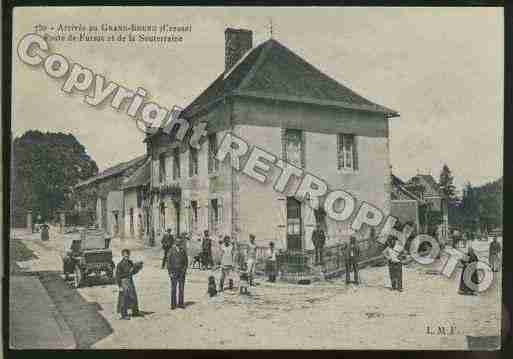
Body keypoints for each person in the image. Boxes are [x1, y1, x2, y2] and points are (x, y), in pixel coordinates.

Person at [116, 249, 143, 319]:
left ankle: (135, 312)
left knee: (133, 296)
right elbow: (117, 276)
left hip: (130, 280)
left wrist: (138, 268)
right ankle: (124, 314)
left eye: (127, 255)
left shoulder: (130, 262)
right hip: (123, 281)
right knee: (124, 298)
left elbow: (133, 272)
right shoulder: (120, 264)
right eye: (125, 255)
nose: (126, 256)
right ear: (122, 255)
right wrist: (120, 286)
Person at [167, 237, 188, 309]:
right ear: (175, 242)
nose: (178, 243)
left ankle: (181, 303)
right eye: (177, 242)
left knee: (181, 288)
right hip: (174, 272)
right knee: (173, 289)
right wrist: (170, 273)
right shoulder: (171, 251)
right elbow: (168, 263)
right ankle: (173, 304)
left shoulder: (183, 250)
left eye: (180, 242)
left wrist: (184, 271)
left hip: (182, 273)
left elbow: (186, 262)